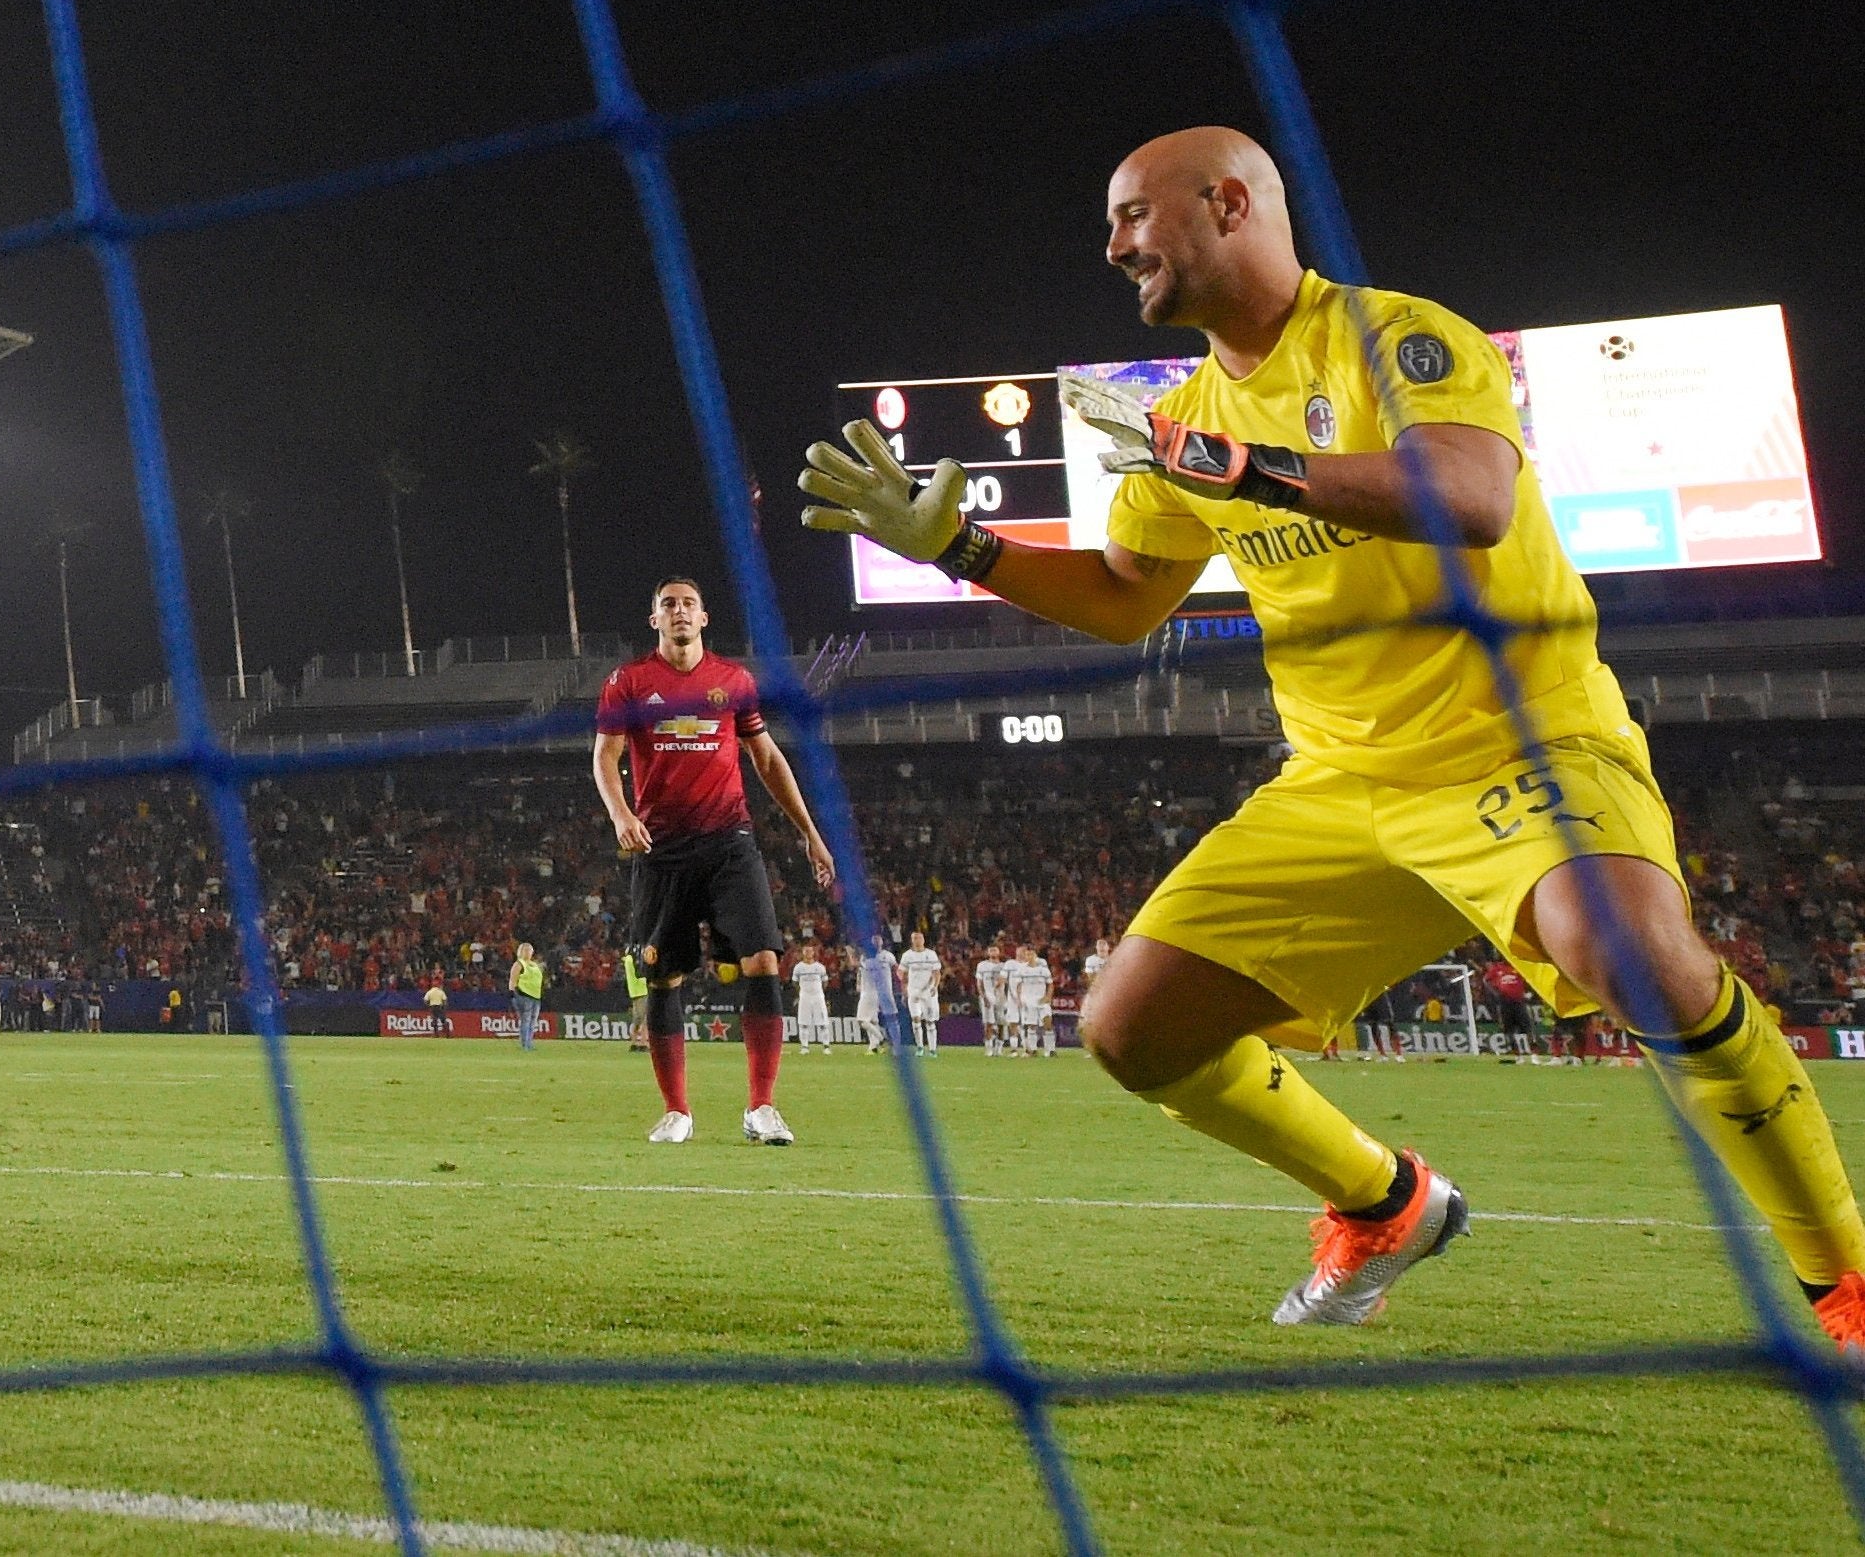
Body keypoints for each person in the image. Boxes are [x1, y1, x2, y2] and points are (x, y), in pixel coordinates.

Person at [799, 125, 1865, 1343]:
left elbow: (1469, 497)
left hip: (1520, 742)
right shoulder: (1179, 419)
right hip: (1341, 778)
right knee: (1132, 1029)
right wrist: (961, 551)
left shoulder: (1400, 338)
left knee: (1626, 945)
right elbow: (1123, 596)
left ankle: (1845, 1281)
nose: (1112, 247)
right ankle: (1386, 1203)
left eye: (1133, 217)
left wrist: (1248, 468)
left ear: (1229, 202)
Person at [593, 576, 837, 1145]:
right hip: (661, 849)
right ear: (654, 620)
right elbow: (605, 757)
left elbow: (767, 758)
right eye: (668, 605)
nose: (679, 612)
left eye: (688, 604)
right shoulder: (628, 683)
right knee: (664, 976)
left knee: (763, 962)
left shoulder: (734, 682)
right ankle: (677, 1111)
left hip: (731, 842)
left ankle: (762, 1108)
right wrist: (621, 815)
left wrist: (809, 833)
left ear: (704, 618)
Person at [1483, 957, 1539, 1062]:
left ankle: (1534, 1056)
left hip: (1519, 1002)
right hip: (1504, 1003)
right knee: (1508, 1031)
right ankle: (1518, 1056)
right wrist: (1495, 993)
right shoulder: (1496, 968)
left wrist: (1529, 992)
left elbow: (1530, 978)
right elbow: (1486, 980)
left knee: (1528, 1028)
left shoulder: (1518, 965)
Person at [898, 930, 942, 1056]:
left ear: (923, 940)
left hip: (928, 992)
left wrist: (934, 986)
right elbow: (902, 973)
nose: (917, 940)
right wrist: (904, 987)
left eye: (919, 938)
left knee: (930, 1020)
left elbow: (937, 973)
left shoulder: (931, 954)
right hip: (914, 991)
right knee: (915, 1019)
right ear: (912, 940)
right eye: (915, 938)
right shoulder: (907, 955)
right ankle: (920, 1047)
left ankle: (932, 1049)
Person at [1009, 945, 1054, 1055]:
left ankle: (1050, 1050)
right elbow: (1018, 986)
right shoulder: (1021, 969)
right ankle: (1033, 1049)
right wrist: (1019, 999)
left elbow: (1051, 985)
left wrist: (1048, 997)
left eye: (1031, 954)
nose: (1029, 956)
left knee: (1047, 1023)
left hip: (1042, 1000)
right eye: (1027, 954)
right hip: (1028, 1000)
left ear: (1035, 955)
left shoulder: (1043, 970)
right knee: (1031, 1025)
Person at [856, 936, 899, 1052]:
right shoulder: (868, 956)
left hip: (870, 993)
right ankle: (874, 1046)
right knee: (874, 1020)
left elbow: (857, 965)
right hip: (876, 992)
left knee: (862, 1020)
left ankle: (881, 1038)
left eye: (878, 941)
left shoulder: (867, 957)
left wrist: (850, 953)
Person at [791, 943, 832, 1053]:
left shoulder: (819, 967)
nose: (808, 953)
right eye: (806, 951)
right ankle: (805, 1047)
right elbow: (795, 982)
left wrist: (819, 992)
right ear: (803, 953)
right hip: (805, 997)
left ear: (814, 953)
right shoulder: (798, 968)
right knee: (803, 1022)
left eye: (810, 951)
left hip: (818, 997)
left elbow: (825, 982)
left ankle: (826, 1046)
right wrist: (802, 992)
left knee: (823, 1022)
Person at [975, 942, 1010, 1057]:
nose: (993, 952)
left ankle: (999, 1048)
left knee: (1001, 1023)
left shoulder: (1004, 966)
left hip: (1000, 997)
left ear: (999, 952)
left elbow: (1006, 981)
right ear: (987, 952)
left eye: (995, 950)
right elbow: (979, 983)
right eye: (991, 950)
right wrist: (983, 996)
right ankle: (988, 1048)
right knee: (988, 1023)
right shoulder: (982, 965)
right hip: (987, 995)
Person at [508, 942, 544, 1051]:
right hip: (524, 995)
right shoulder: (519, 964)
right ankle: (525, 1044)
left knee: (533, 1021)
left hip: (535, 996)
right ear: (521, 952)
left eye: (529, 950)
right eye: (526, 950)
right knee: (526, 1020)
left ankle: (529, 1042)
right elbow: (513, 979)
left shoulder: (535, 965)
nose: (528, 952)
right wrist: (512, 992)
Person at [622, 947, 650, 1051]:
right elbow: (641, 973)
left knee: (637, 1019)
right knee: (645, 1019)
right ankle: (643, 1043)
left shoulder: (627, 961)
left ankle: (633, 1042)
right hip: (642, 990)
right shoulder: (634, 960)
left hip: (634, 991)